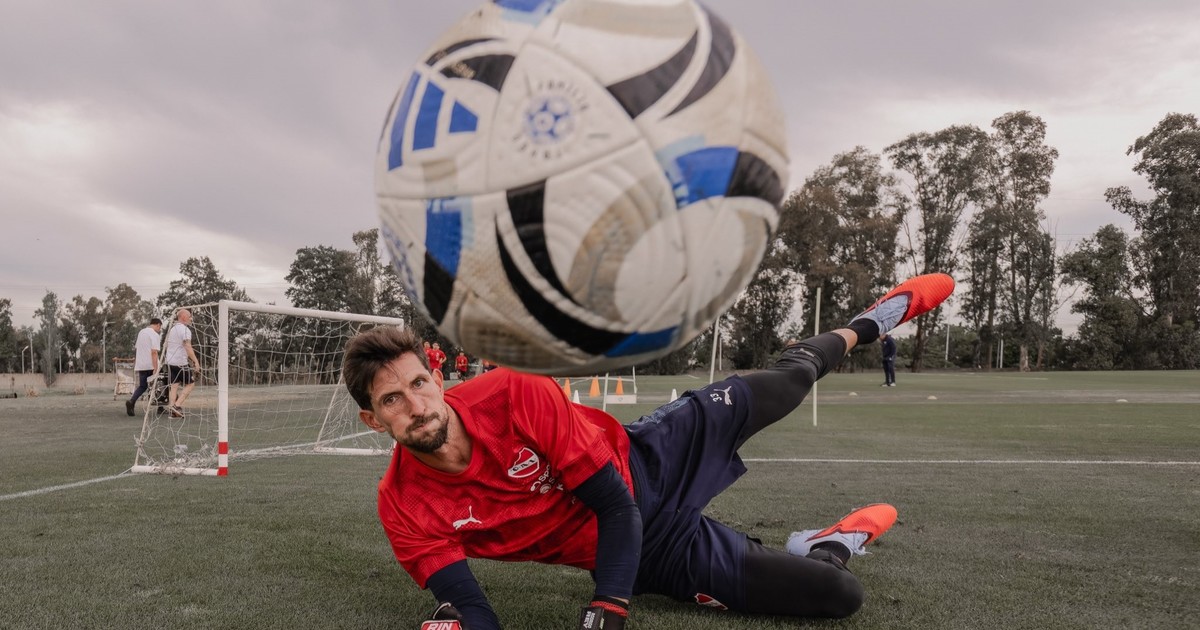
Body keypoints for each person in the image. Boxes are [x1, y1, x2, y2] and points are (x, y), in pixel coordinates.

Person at [343, 274, 954, 629]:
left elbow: (615, 505)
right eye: (393, 400)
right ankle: (829, 544)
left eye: (419, 384)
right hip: (649, 550)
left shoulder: (512, 391)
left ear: (438, 378)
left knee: (787, 384)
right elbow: (472, 608)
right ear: (374, 420)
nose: (416, 406)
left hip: (651, 458)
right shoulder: (402, 506)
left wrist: (608, 603)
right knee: (836, 597)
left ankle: (869, 322)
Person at [164, 308, 200, 418]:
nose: (191, 319)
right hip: (180, 363)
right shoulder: (185, 330)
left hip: (170, 362)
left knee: (174, 386)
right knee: (191, 384)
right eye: (189, 317)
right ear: (184, 317)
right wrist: (196, 361)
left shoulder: (172, 329)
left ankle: (172, 410)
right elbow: (187, 346)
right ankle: (177, 405)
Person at [125, 317, 162, 416]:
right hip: (151, 365)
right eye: (160, 328)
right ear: (158, 325)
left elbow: (138, 348)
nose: (159, 330)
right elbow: (154, 352)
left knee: (142, 386)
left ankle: (132, 401)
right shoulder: (155, 335)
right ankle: (161, 407)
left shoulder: (141, 332)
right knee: (159, 385)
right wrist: (155, 367)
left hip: (141, 365)